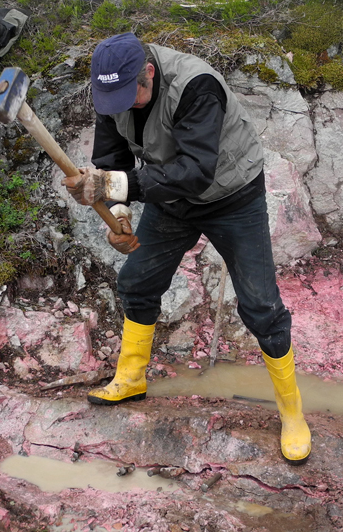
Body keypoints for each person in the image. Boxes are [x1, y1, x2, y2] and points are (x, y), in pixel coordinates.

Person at [61, 32, 311, 463]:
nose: (119, 107)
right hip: (171, 200)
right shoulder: (113, 93)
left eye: (128, 97)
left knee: (261, 307)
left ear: (150, 73)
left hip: (232, 197)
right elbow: (112, 162)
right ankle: (131, 378)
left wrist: (117, 186)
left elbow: (196, 171)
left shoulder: (197, 86)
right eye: (111, 100)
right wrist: (118, 216)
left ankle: (292, 413)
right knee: (137, 281)